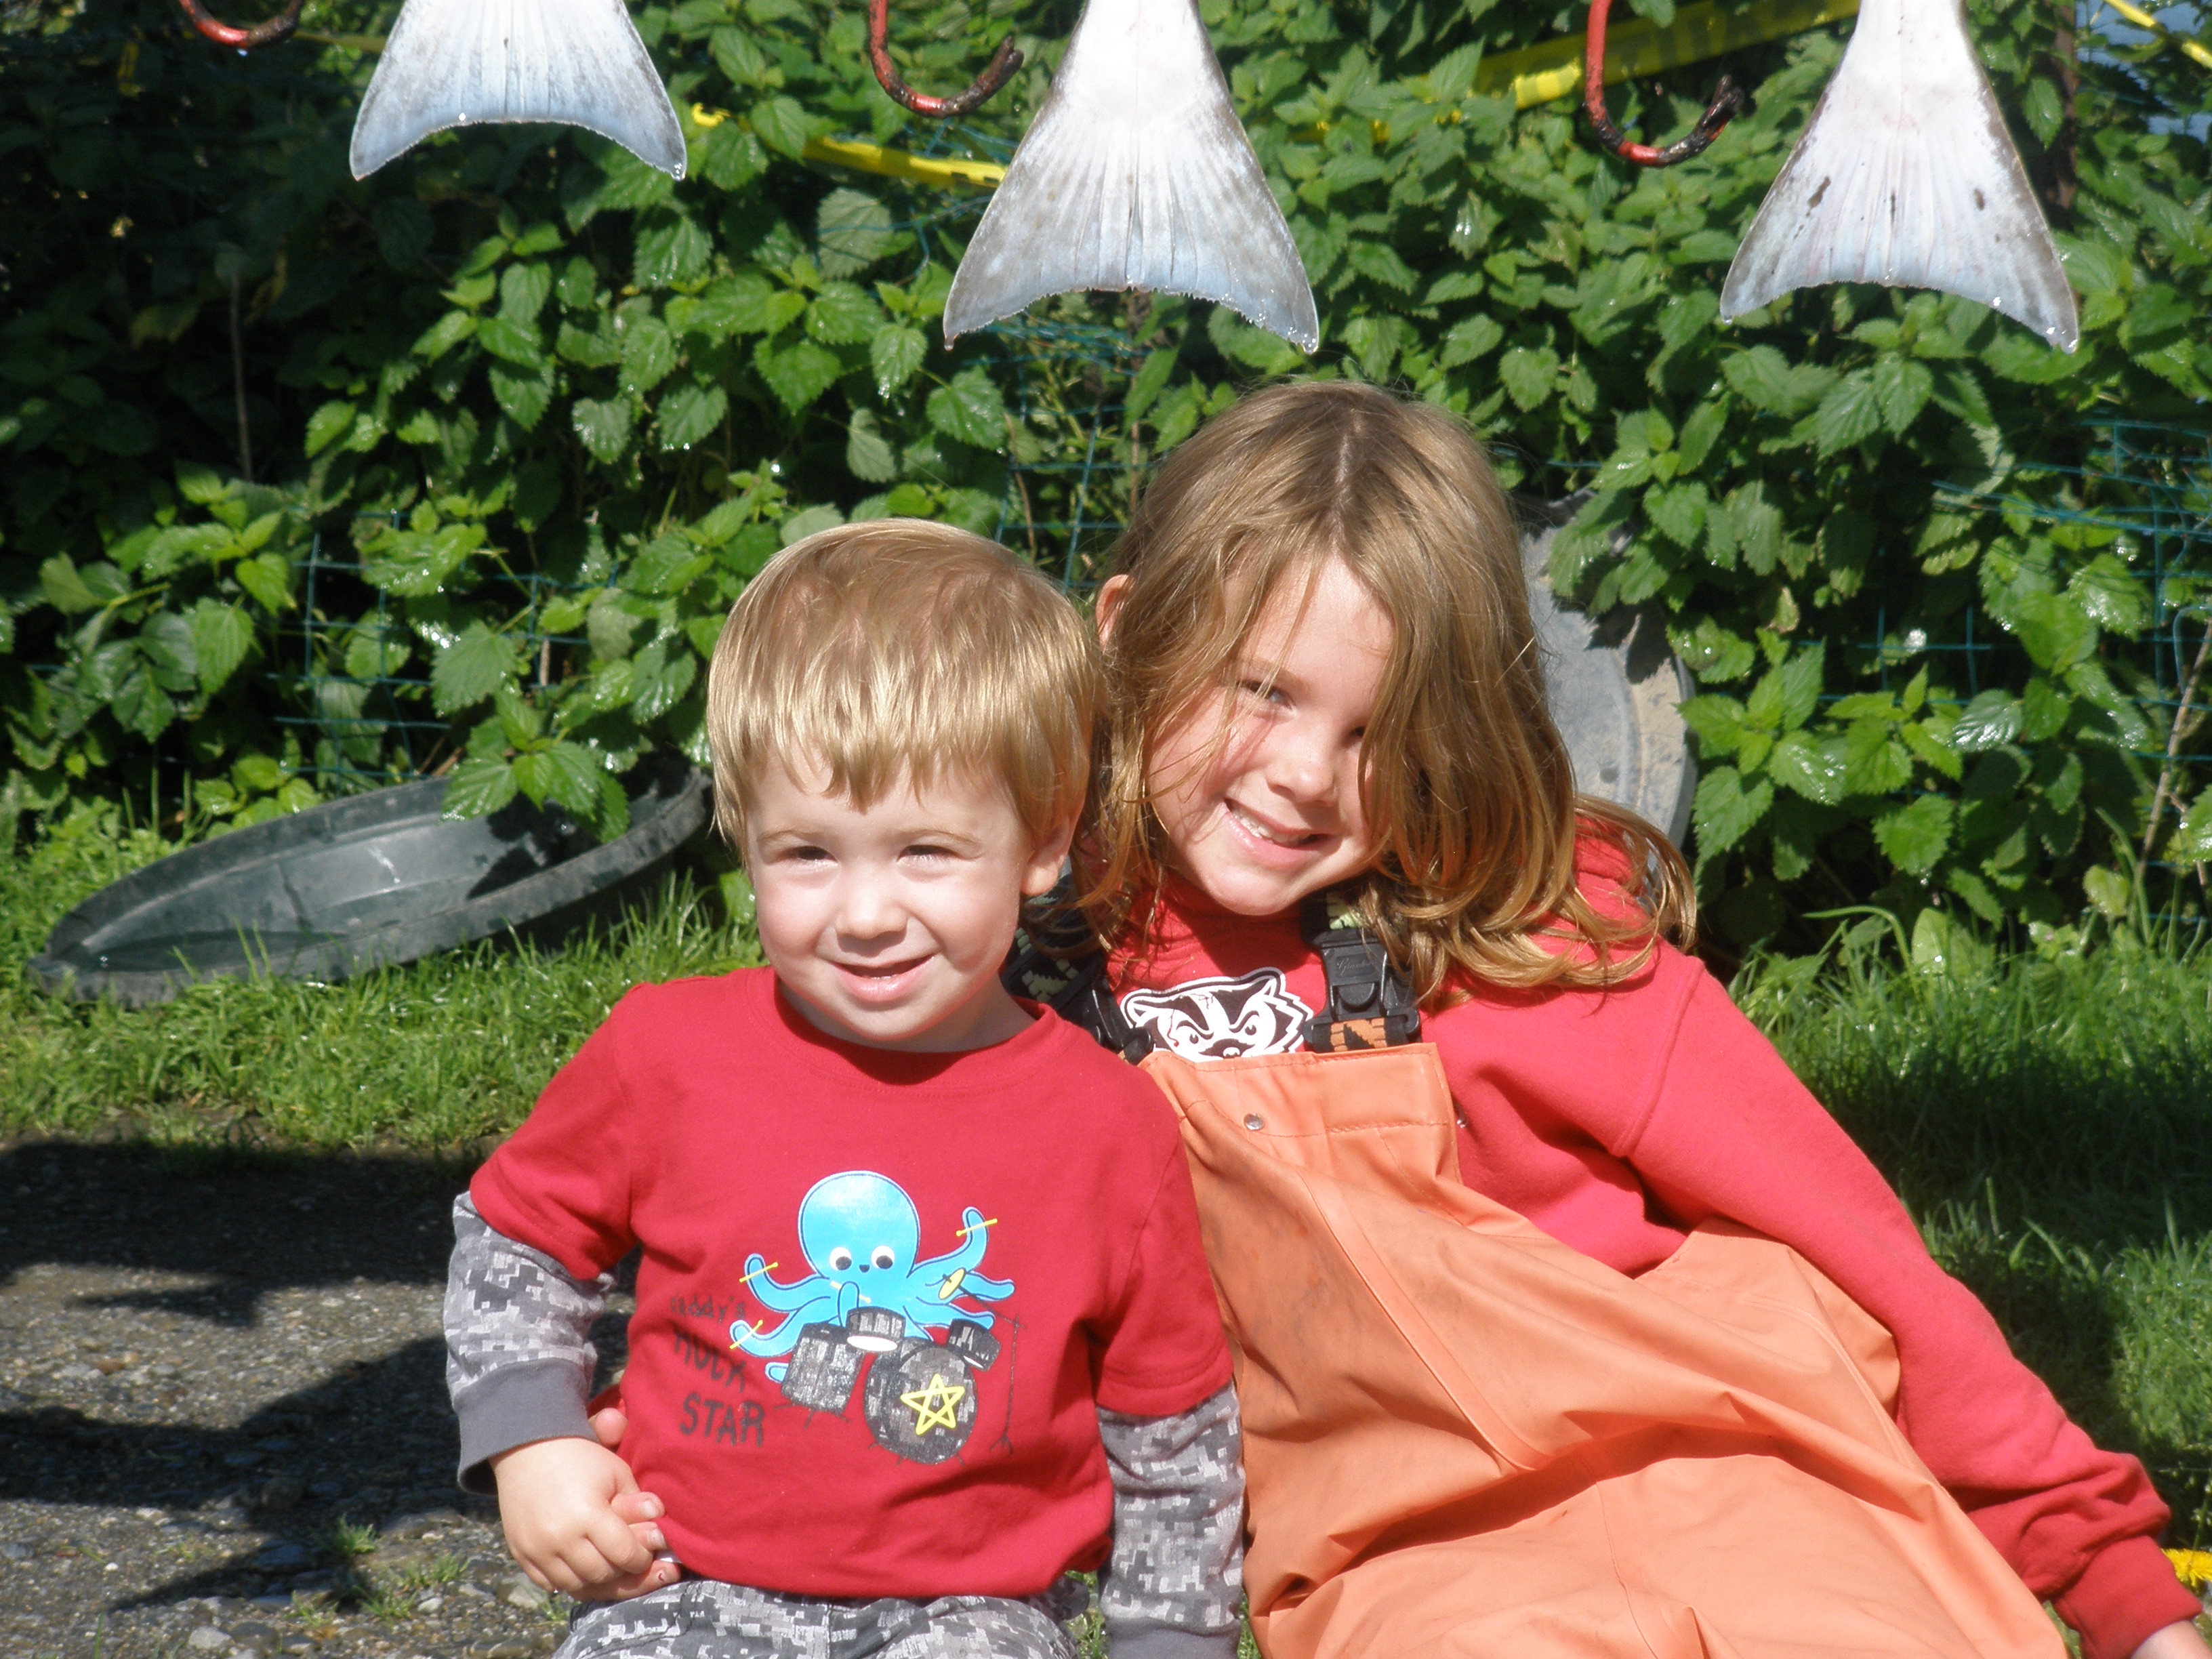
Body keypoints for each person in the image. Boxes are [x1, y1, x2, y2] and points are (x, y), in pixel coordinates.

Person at [1013, 380, 2209, 1659]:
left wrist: (2117, 1586)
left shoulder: (1525, 938)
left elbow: (1864, 1253)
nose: (1307, 775)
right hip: (1420, 1561)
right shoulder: (1016, 979)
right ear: (1128, 631)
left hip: (1750, 1468)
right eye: (1261, 690)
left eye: (1377, 730)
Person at [443, 520, 1245, 1659]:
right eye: (808, 854)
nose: (866, 915)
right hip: (685, 1586)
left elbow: (1172, 1437)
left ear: (1042, 840)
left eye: (926, 852)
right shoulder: (667, 1056)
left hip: (973, 1616)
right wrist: (534, 1443)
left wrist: (1171, 1642)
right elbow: (518, 1238)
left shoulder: (1108, 1127)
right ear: (746, 838)